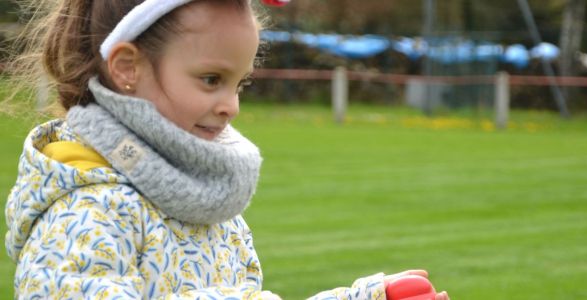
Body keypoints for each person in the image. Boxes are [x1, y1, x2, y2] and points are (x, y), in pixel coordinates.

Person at [4, 0, 450, 299]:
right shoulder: (85, 205)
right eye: (211, 80)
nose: (231, 106)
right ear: (127, 68)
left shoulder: (203, 195)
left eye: (241, 83)